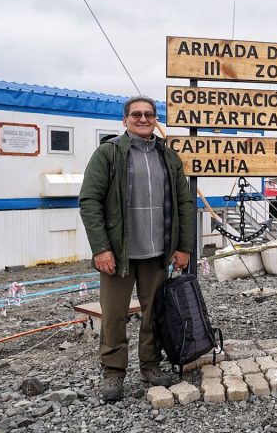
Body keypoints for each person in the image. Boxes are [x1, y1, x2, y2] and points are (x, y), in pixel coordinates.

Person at [79, 95, 195, 401]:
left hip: (158, 252)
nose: (143, 119)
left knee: (154, 313)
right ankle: (113, 373)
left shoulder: (168, 157)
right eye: (136, 115)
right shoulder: (108, 153)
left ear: (155, 119)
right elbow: (89, 201)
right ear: (125, 119)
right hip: (118, 254)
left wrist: (184, 246)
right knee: (114, 316)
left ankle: (151, 366)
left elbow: (184, 203)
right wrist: (101, 248)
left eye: (149, 114)